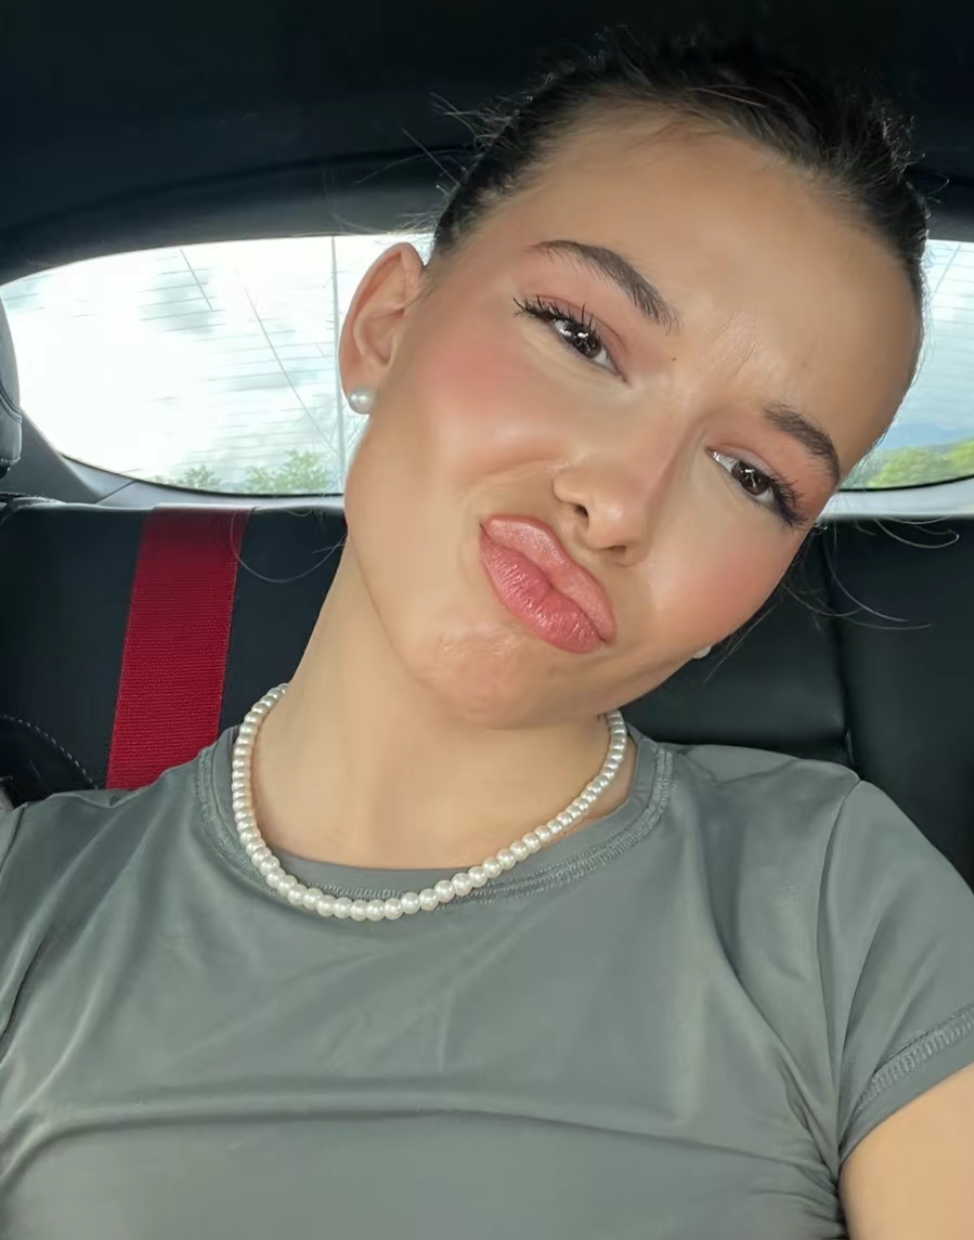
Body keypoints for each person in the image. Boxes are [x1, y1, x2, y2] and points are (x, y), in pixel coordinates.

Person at [1, 28, 973, 1240]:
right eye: (579, 335)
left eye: (753, 476)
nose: (619, 502)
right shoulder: (29, 897)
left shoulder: (839, 900)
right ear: (385, 324)